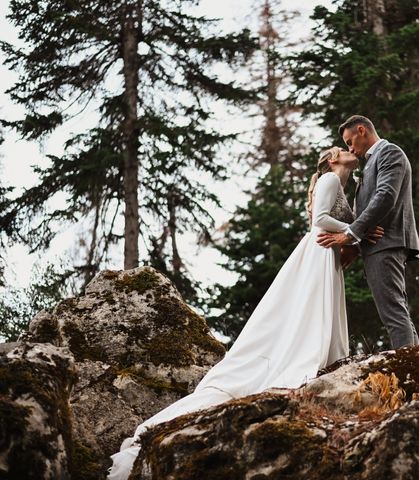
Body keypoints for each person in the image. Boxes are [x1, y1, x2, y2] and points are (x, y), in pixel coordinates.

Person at [107, 146, 382, 479]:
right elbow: (321, 220)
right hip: (318, 247)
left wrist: (362, 234)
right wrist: (360, 232)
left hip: (328, 250)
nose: (349, 150)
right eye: (341, 149)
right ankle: (308, 353)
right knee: (309, 304)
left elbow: (349, 226)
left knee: (316, 304)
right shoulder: (327, 179)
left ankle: (320, 351)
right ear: (332, 160)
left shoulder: (343, 184)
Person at [317, 115, 419, 349]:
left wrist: (351, 234)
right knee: (397, 310)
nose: (350, 148)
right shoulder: (371, 163)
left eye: (349, 141)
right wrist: (355, 247)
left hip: (386, 242)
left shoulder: (389, 153)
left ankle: (406, 371)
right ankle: (414, 363)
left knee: (393, 314)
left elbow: (385, 196)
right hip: (377, 244)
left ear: (361, 130)